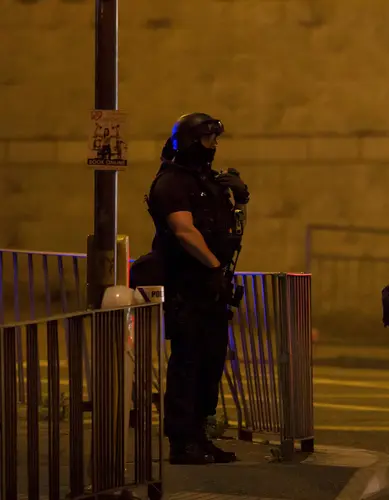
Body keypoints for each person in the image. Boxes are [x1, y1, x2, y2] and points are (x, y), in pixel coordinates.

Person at [139, 113, 250, 465]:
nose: (213, 146)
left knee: (211, 360)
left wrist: (239, 195)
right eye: (207, 139)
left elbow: (229, 227)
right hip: (187, 283)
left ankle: (200, 435)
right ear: (189, 141)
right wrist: (214, 267)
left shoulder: (205, 181)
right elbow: (184, 230)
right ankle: (182, 440)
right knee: (188, 361)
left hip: (212, 283)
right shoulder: (171, 182)